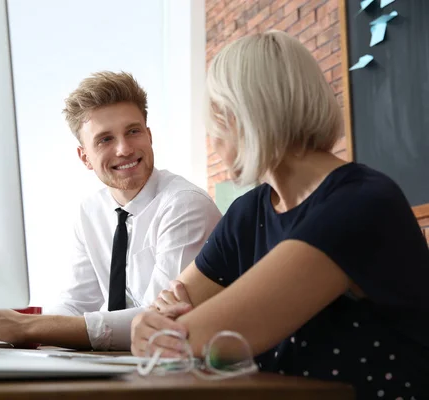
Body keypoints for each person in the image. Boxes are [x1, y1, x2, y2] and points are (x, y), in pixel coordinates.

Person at [131, 31, 429, 399]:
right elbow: (168, 311)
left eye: (215, 118)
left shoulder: (361, 203)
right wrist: (155, 324)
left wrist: (161, 328)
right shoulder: (248, 211)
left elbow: (191, 338)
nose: (213, 137)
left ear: (241, 116)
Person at [0, 71, 221, 350]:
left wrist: (27, 326)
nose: (124, 149)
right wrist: (15, 330)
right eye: (105, 140)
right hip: (129, 368)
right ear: (84, 157)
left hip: (183, 369)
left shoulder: (184, 205)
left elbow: (157, 322)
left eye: (133, 131)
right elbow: (75, 302)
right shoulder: (91, 212)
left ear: (149, 136)